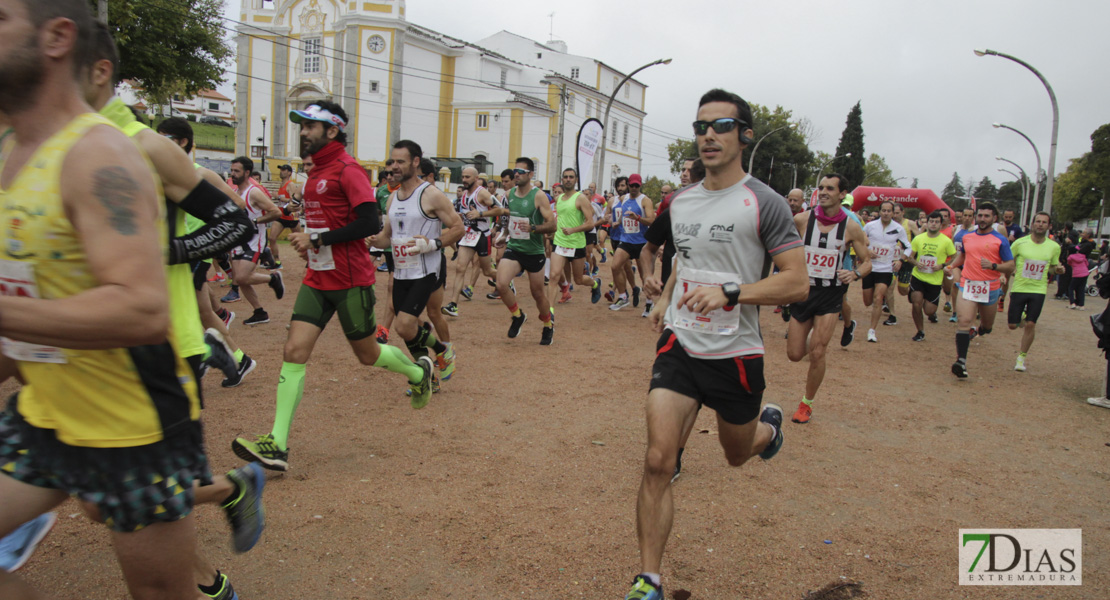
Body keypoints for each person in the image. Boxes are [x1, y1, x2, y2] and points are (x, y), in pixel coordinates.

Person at [0, 2, 206, 597]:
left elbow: (141, 309)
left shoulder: (98, 154)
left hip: (133, 428)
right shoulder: (11, 152)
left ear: (57, 37)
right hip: (45, 413)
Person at [626, 88, 807, 600]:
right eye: (701, 126)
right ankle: (648, 582)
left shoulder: (764, 203)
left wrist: (732, 292)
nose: (708, 135)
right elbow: (657, 245)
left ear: (744, 135)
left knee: (735, 454)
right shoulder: (680, 201)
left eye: (721, 125)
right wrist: (654, 286)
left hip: (737, 355)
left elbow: (796, 283)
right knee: (660, 460)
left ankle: (766, 433)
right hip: (681, 343)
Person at [232, 105, 436, 472]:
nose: (303, 132)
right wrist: (299, 229)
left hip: (350, 279)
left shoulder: (348, 170)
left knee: (368, 355)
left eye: (311, 126)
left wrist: (318, 237)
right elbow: (318, 219)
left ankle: (419, 373)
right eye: (303, 126)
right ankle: (277, 443)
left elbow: (367, 222)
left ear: (332, 131)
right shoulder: (314, 173)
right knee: (293, 350)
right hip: (317, 277)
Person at [786, 174, 871, 425]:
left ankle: (806, 403)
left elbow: (866, 262)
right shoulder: (802, 220)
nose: (823, 192)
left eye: (829, 188)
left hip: (831, 294)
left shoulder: (852, 226)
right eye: (820, 188)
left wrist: (854, 273)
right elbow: (781, 245)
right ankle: (813, 336)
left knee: (818, 352)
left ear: (842, 194)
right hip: (803, 293)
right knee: (794, 354)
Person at [946, 202, 1014, 378]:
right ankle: (961, 362)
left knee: (987, 326)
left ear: (994, 219)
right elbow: (963, 254)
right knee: (964, 320)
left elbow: (1010, 266)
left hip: (990, 287)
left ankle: (979, 330)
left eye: (986, 216)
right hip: (968, 284)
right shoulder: (968, 237)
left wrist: (993, 266)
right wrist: (952, 265)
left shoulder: (1000, 240)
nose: (982, 219)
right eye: (980, 215)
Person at [493, 157, 558, 344]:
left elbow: (552, 225)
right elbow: (512, 219)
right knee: (501, 284)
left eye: (520, 172)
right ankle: (518, 316)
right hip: (515, 247)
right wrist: (504, 234)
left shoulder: (538, 196)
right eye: (515, 172)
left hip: (535, 251)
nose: (516, 175)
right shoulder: (509, 194)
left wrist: (533, 229)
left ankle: (547, 325)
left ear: (530, 174)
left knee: (537, 294)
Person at [227, 156, 285, 324]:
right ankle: (260, 312)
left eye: (236, 171)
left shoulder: (253, 192)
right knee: (238, 279)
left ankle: (273, 278)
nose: (233, 174)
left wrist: (255, 222)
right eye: (232, 171)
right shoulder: (235, 193)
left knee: (243, 277)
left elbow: (276, 212)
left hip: (253, 240)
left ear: (247, 172)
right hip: (238, 240)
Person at [1008, 212, 1062, 371]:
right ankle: (1022, 317)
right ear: (1032, 224)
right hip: (1019, 287)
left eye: (1044, 222)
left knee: (1031, 324)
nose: (1040, 224)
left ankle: (1021, 358)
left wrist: (1058, 269)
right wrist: (1005, 275)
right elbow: (1008, 259)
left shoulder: (1054, 247)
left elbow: (1053, 267)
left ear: (1049, 226)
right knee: (1012, 325)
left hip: (1038, 289)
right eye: (1038, 221)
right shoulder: (1020, 243)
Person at [443, 166, 498, 317]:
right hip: (468, 236)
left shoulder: (483, 193)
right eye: (463, 177)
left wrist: (481, 213)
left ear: (475, 178)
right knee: (460, 268)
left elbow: (500, 210)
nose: (464, 180)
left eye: (467, 177)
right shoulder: (464, 195)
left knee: (487, 271)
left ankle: (505, 279)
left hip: (482, 236)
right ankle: (453, 304)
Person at [548, 168, 602, 307]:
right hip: (559, 242)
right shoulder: (559, 198)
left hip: (576, 244)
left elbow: (590, 223)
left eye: (571, 177)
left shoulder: (581, 198)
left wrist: (573, 230)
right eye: (565, 176)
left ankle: (595, 284)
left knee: (578, 279)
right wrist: (552, 231)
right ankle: (549, 313)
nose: (568, 179)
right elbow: (560, 219)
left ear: (576, 180)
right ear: (562, 179)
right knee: (553, 276)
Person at [904, 211, 958, 341]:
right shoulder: (919, 238)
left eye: (936, 222)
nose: (933, 224)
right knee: (916, 303)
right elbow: (909, 257)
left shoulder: (946, 241)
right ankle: (920, 331)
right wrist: (916, 263)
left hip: (934, 280)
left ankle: (928, 307)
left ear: (941, 224)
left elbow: (955, 257)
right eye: (931, 221)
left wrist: (943, 265)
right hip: (918, 277)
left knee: (929, 310)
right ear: (927, 223)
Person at [861, 201, 911, 342]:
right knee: (867, 301)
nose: (886, 213)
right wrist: (867, 251)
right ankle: (873, 314)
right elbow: (860, 241)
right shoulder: (870, 226)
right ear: (880, 211)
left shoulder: (898, 229)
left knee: (878, 298)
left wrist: (901, 260)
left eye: (889, 211)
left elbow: (908, 247)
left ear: (893, 213)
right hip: (870, 267)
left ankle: (872, 331)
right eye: (884, 210)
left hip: (885, 269)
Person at [608, 173, 654, 313]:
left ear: (640, 186)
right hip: (626, 240)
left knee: (644, 274)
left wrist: (638, 218)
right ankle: (623, 296)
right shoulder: (624, 198)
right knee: (615, 266)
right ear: (628, 185)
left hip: (641, 243)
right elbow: (624, 214)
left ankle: (649, 302)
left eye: (636, 186)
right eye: (632, 185)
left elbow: (651, 220)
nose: (634, 188)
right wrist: (617, 222)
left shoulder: (645, 200)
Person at [267, 163, 303, 269]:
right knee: (272, 238)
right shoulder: (281, 184)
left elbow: (294, 200)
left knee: (300, 242)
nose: (281, 171)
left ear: (289, 173)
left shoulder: (290, 184)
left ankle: (311, 261)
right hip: (281, 216)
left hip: (291, 217)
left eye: (284, 170)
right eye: (281, 169)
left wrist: (278, 197)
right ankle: (277, 262)